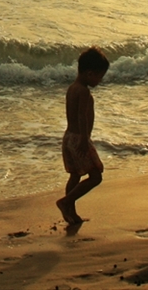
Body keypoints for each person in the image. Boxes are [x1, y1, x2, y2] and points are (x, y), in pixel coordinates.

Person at [56, 46, 110, 225]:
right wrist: (85, 139)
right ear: (90, 73)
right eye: (99, 77)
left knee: (75, 175)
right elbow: (81, 116)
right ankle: (66, 202)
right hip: (79, 138)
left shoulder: (72, 88)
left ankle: (70, 212)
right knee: (96, 176)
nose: (99, 81)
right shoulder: (84, 91)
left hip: (68, 137)